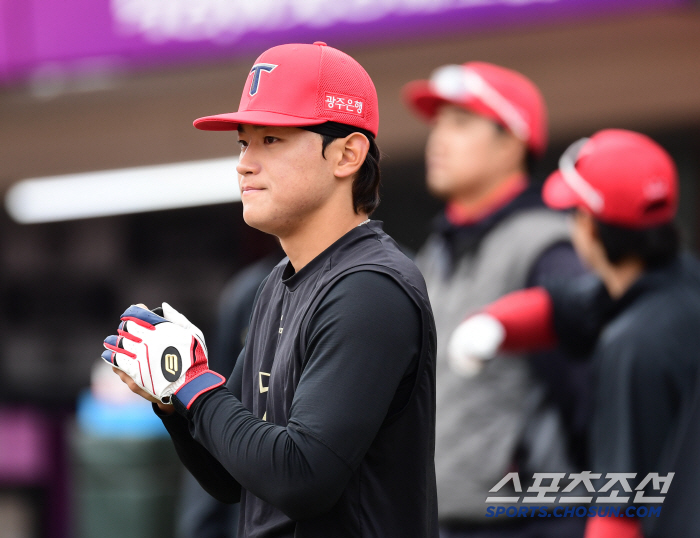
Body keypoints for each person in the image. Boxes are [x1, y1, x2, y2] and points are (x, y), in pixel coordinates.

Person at [102, 42, 438, 538]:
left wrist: (194, 384)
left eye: (272, 140)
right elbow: (231, 476)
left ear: (347, 154)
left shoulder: (370, 288)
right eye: (243, 142)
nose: (244, 163)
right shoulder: (276, 286)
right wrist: (171, 397)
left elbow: (301, 478)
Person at [448, 129, 700, 537]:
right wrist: (494, 326)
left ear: (591, 229)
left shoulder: (634, 344)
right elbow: (570, 306)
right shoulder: (678, 286)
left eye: (576, 213)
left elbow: (621, 507)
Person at [402, 62, 588, 537]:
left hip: (529, 522)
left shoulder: (549, 249)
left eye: (461, 124)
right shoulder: (431, 254)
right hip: (440, 520)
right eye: (437, 124)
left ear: (512, 143)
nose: (438, 140)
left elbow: (591, 401)